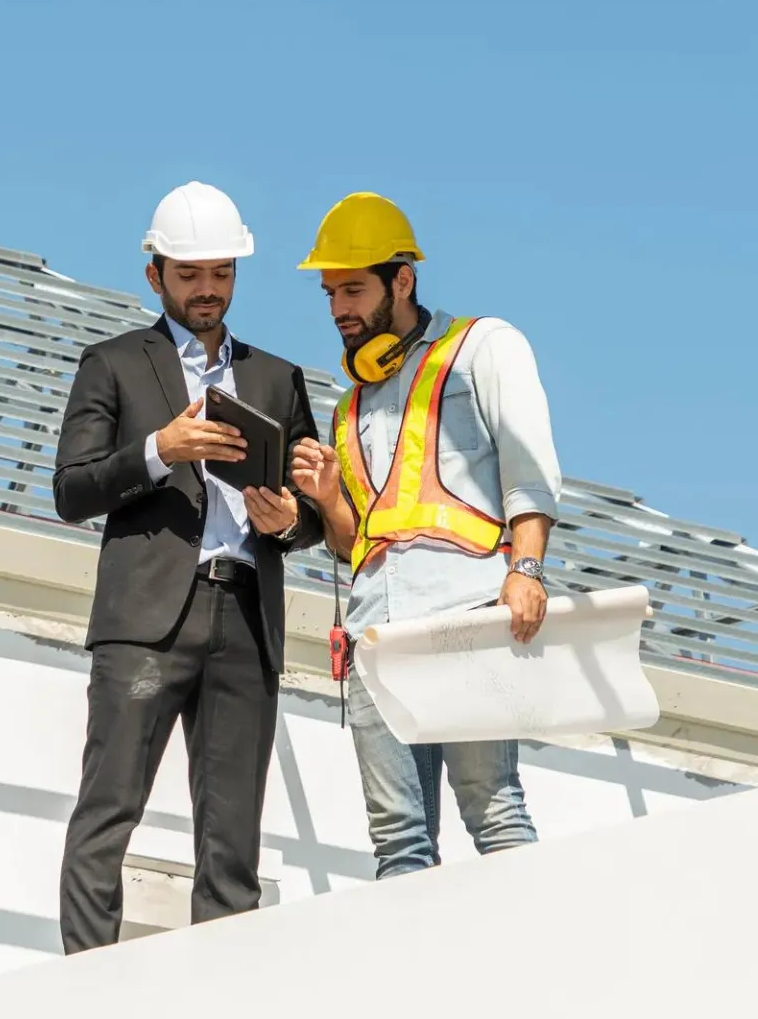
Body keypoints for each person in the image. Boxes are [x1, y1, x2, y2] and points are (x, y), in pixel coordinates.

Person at [53, 180, 326, 953]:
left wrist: (292, 523)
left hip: (246, 620)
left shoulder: (279, 379)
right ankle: (85, 990)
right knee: (107, 815)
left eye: (222, 274)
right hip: (145, 622)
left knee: (233, 846)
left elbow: (308, 511)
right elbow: (71, 491)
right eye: (191, 275)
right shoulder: (110, 365)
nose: (208, 291)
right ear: (156, 276)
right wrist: (157, 451)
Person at [287, 191, 562, 879]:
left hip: (466, 612)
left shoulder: (483, 348)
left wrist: (525, 572)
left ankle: (542, 963)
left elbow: (529, 470)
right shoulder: (348, 404)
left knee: (493, 810)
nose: (338, 308)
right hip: (376, 635)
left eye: (353, 289)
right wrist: (325, 498)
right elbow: (356, 545)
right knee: (399, 845)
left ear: (401, 280)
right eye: (329, 293)